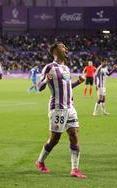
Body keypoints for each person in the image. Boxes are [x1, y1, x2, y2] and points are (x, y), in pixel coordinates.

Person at [35, 42, 86, 179]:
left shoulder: (66, 68)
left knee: (74, 135)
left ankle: (74, 169)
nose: (66, 48)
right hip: (57, 108)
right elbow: (39, 87)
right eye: (63, 47)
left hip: (70, 107)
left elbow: (67, 87)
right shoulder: (49, 67)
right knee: (54, 139)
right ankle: (40, 161)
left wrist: (79, 82)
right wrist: (45, 80)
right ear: (55, 51)